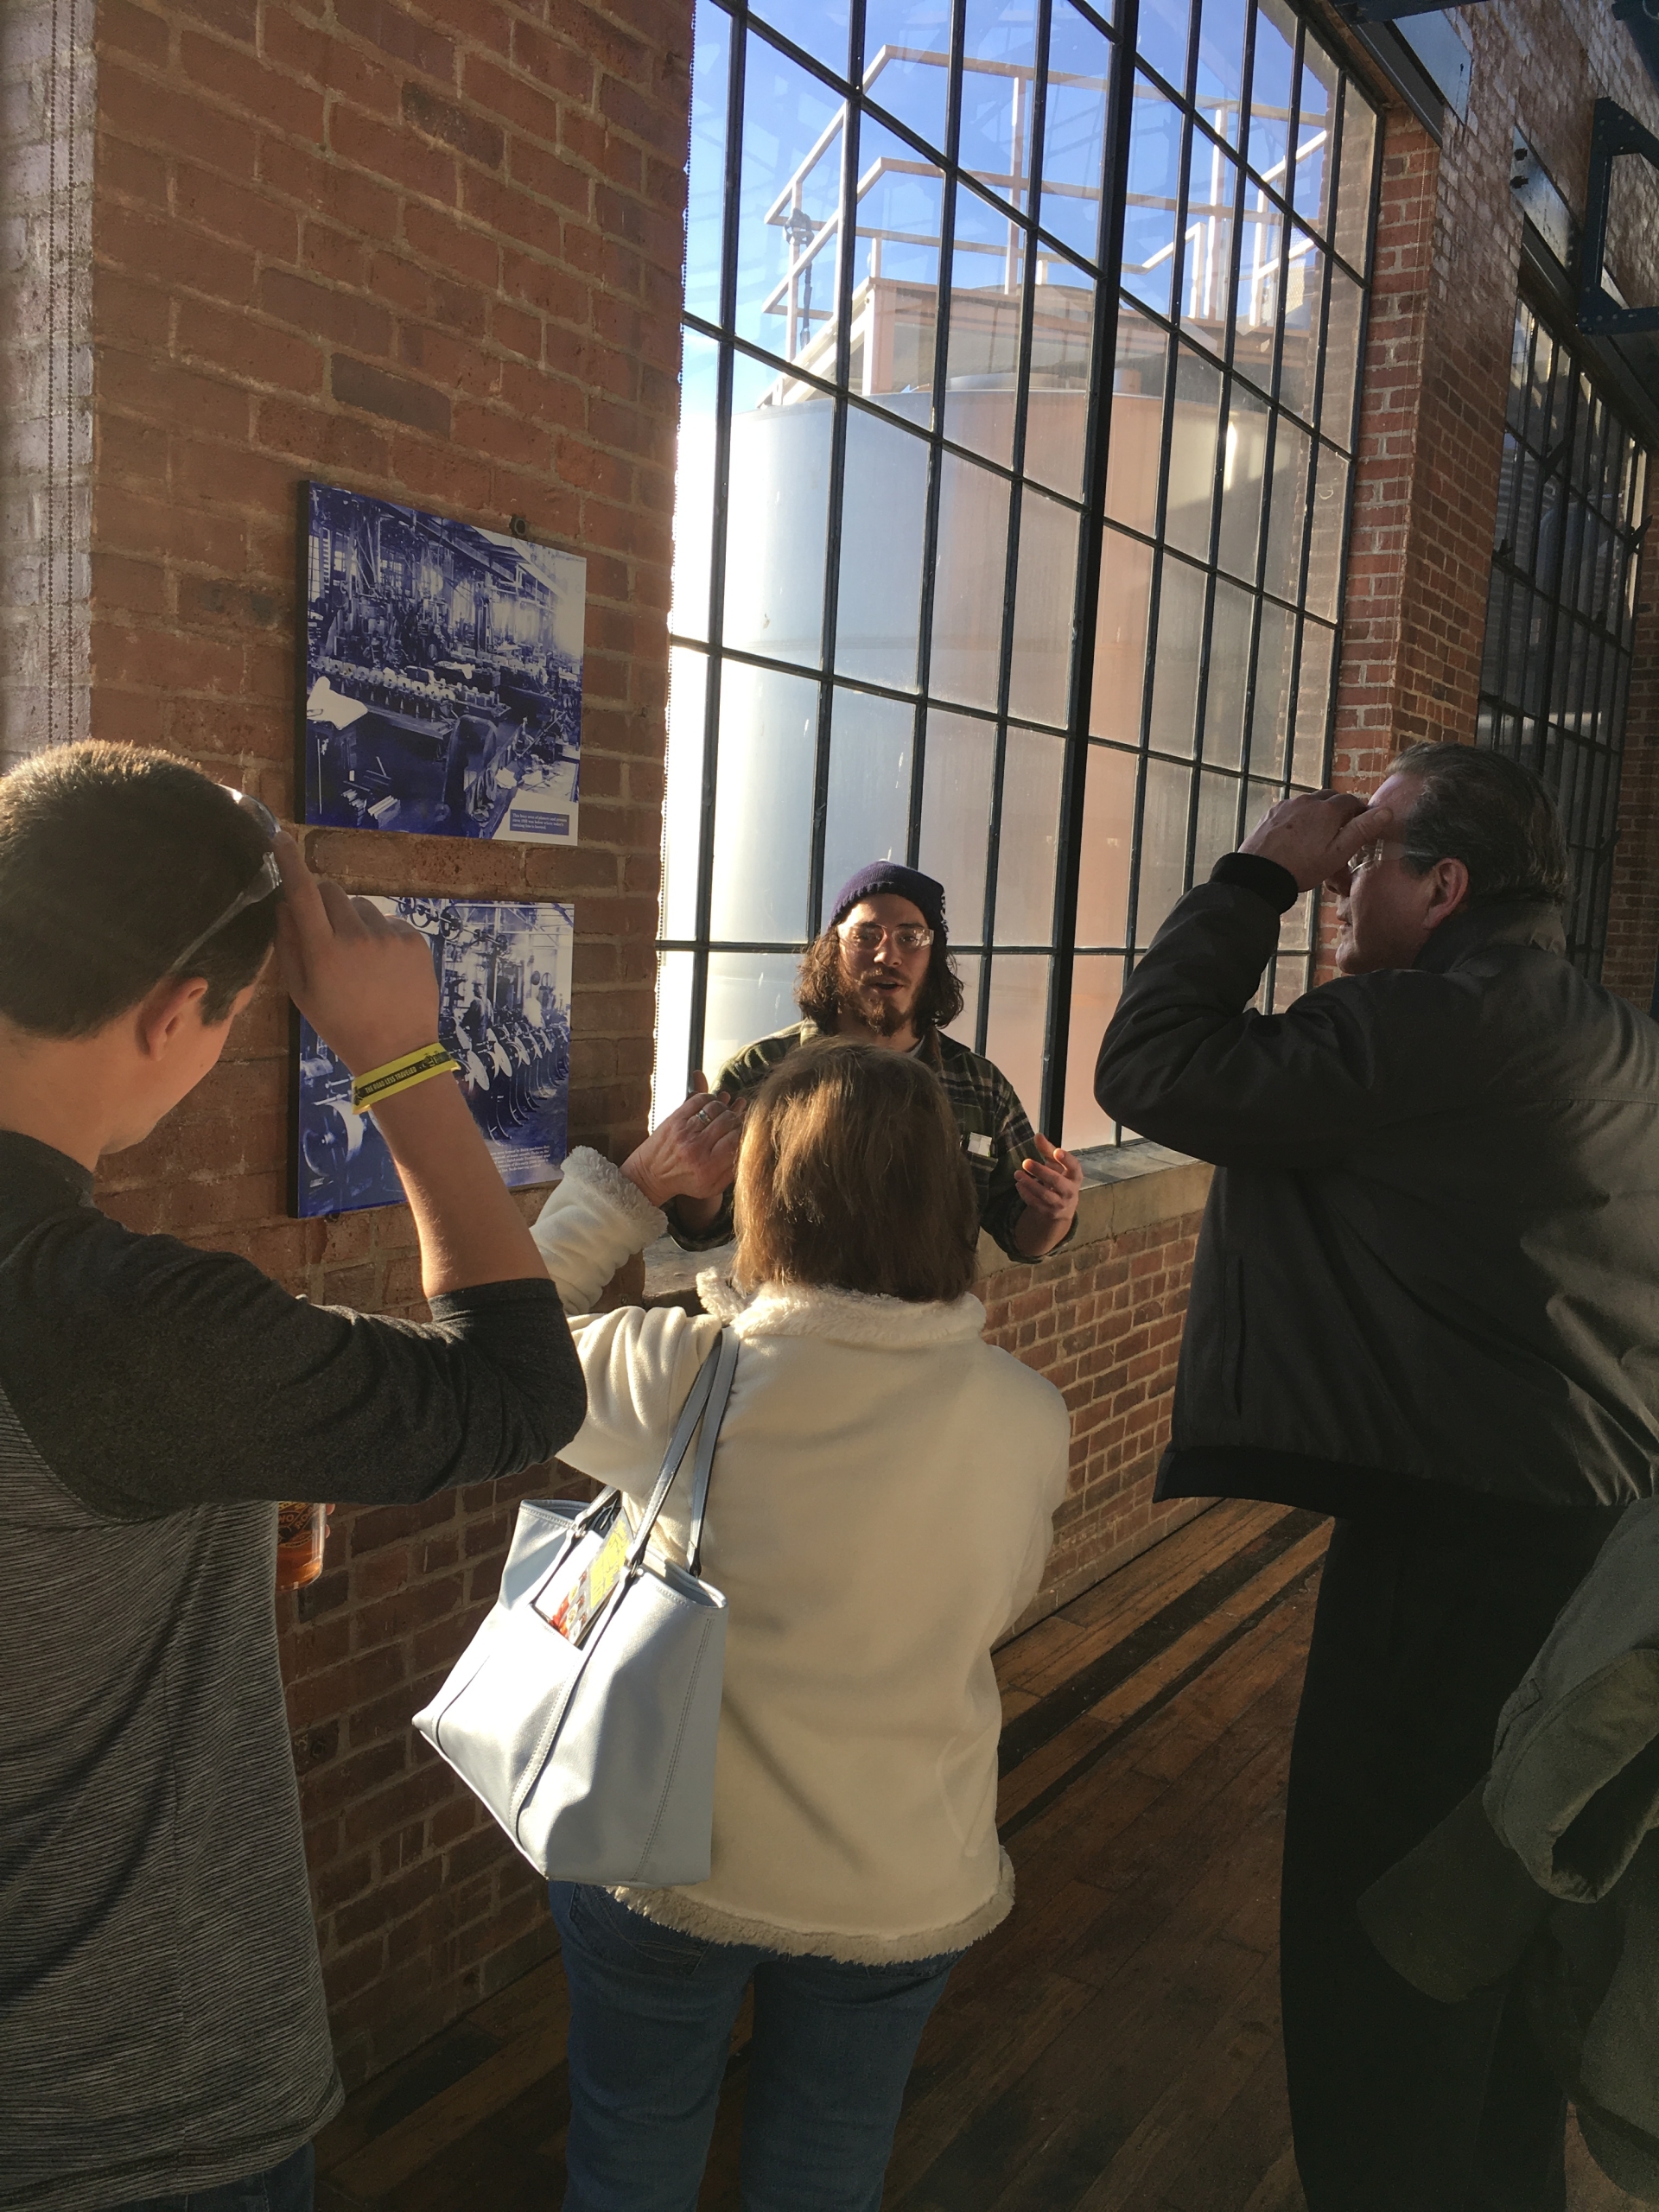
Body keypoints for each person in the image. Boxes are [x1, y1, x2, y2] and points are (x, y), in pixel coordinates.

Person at [0, 743, 587, 2212]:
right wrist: (398, 1058)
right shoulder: (128, 1330)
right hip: (122, 2118)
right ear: (178, 1013)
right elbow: (515, 1388)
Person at [1092, 741, 1659, 2212]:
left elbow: (1152, 1065)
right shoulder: (1605, 1030)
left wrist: (1257, 871)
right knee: (1504, 1917)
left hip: (1462, 1569)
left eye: (1365, 866)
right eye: (1329, 873)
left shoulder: (1447, 1024)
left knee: (1384, 1951)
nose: (1342, 891)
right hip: (1591, 1545)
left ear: (1444, 884)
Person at [527, 1039, 1071, 2211]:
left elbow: (498, 1353)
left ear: (769, 1194)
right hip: (903, 1872)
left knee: (631, 2154)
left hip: (666, 1856)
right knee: (830, 2168)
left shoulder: (685, 1372)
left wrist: (624, 1190)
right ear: (941, 1201)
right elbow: (999, 1598)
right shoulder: (1028, 1415)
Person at [666, 861, 1083, 1263]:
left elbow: (1023, 1239)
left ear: (932, 955)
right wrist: (697, 1177)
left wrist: (1054, 1212)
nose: (888, 956)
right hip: (788, 1329)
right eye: (866, 936)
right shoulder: (762, 1070)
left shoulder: (980, 1086)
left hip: (928, 1331)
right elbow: (704, 1232)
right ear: (833, 950)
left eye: (910, 937)